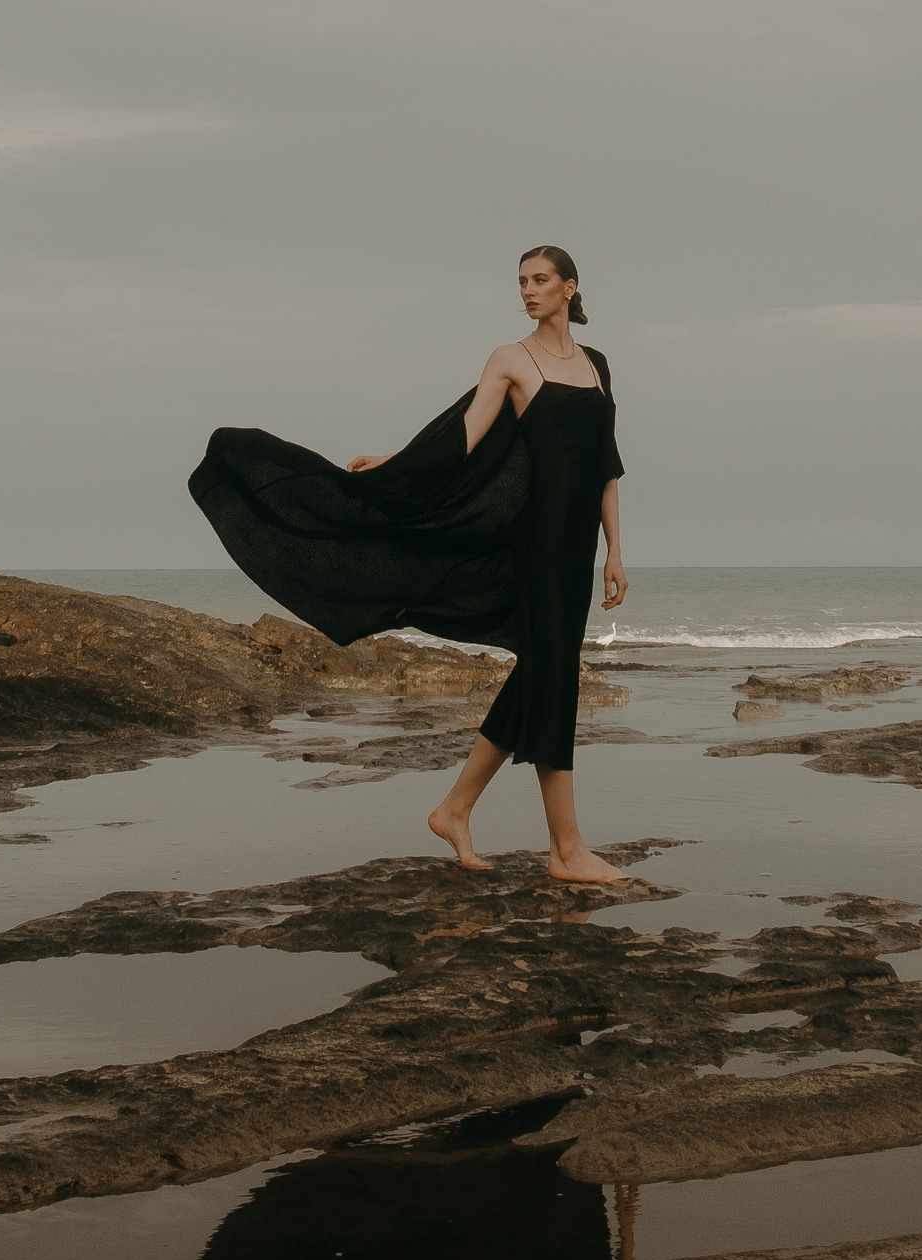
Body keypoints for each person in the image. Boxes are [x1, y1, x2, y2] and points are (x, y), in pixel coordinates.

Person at [188, 245, 631, 882]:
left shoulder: (597, 366)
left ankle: (455, 809)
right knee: (554, 677)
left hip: (577, 549)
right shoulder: (512, 360)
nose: (528, 292)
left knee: (540, 673)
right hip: (533, 544)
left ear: (570, 287)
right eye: (522, 282)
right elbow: (460, 440)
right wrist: (391, 467)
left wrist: (615, 550)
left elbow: (605, 467)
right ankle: (566, 850)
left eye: (539, 281)